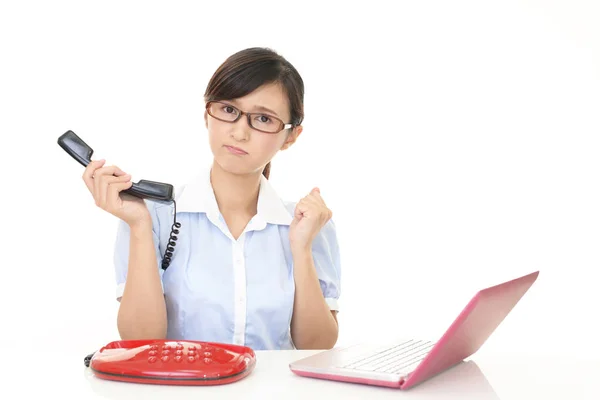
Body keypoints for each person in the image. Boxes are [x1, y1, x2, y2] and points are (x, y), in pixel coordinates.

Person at [81, 47, 341, 351]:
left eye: (263, 119)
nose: (240, 133)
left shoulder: (308, 225)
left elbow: (317, 348)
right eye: (229, 110)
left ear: (291, 136)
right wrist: (139, 226)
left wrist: (301, 248)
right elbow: (141, 342)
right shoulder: (153, 215)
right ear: (208, 114)